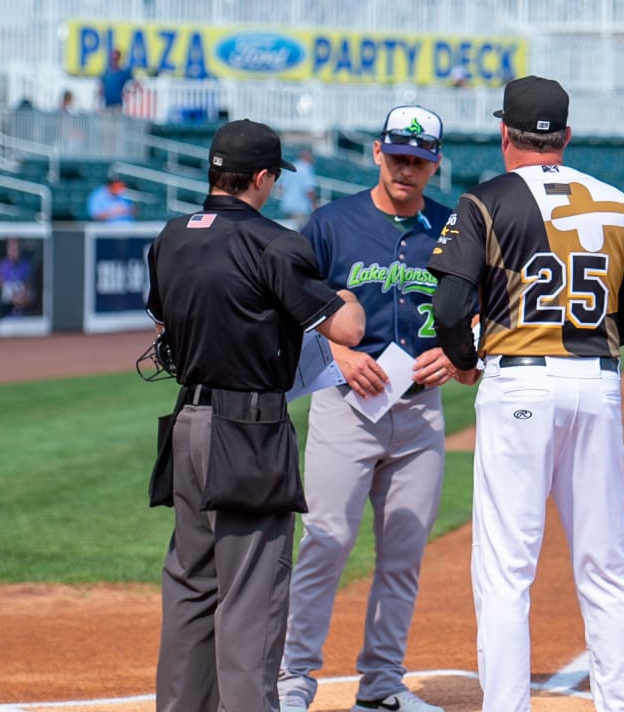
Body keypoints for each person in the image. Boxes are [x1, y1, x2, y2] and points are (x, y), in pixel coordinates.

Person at [426, 75, 624, 712]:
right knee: (606, 564)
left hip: (519, 382)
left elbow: (449, 306)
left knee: (506, 568)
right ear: (565, 135)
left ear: (505, 132)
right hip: (597, 382)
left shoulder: (486, 201)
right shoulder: (615, 200)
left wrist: (466, 358)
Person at [148, 118, 367, 712]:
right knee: (251, 595)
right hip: (248, 429)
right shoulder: (274, 242)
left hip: (188, 421)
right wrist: (344, 298)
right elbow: (345, 329)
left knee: (192, 585)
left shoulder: (171, 235)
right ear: (264, 177)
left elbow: (163, 319)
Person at [278, 105, 464, 712]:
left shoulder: (453, 226)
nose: (408, 168)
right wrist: (335, 350)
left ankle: (381, 688)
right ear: (378, 154)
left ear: (434, 165)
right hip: (345, 406)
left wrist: (461, 355)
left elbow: (482, 313)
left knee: (404, 552)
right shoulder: (332, 223)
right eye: (399, 155)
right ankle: (292, 681)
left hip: (420, 410)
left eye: (420, 159)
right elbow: (289, 310)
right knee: (325, 542)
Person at [275, 148, 318, 229]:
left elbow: (281, 187)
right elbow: (309, 190)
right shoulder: (306, 168)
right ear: (307, 156)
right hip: (300, 208)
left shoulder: (292, 167)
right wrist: (315, 205)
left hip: (287, 206)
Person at [0, 237, 34, 316]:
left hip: (23, 305)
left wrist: (24, 298)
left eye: (16, 249)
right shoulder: (2, 264)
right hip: (6, 305)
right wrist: (12, 297)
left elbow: (29, 286)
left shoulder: (26, 265)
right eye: (11, 249)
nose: (13, 252)